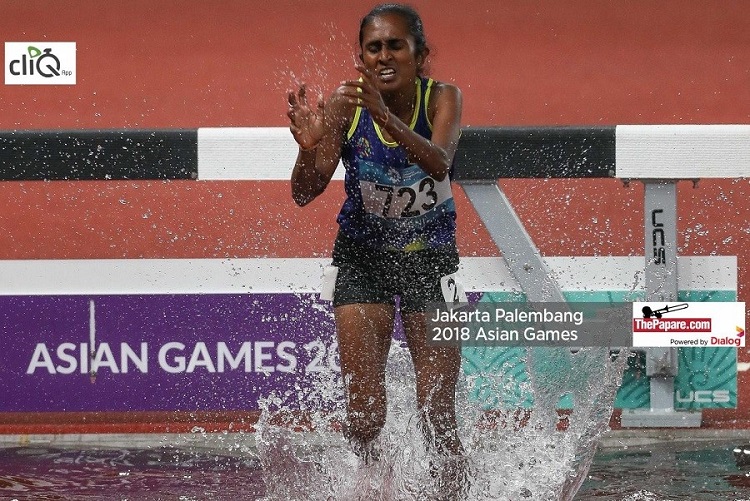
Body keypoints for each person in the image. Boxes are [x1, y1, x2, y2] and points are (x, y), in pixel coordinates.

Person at [287, 3, 466, 494]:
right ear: (361, 58)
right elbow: (304, 193)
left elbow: (439, 164)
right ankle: (368, 490)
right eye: (373, 48)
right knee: (364, 416)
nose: (384, 56)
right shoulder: (345, 105)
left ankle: (455, 493)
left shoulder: (442, 98)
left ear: (419, 56)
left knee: (437, 412)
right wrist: (308, 148)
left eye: (395, 46)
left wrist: (385, 118)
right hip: (363, 258)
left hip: (430, 260)